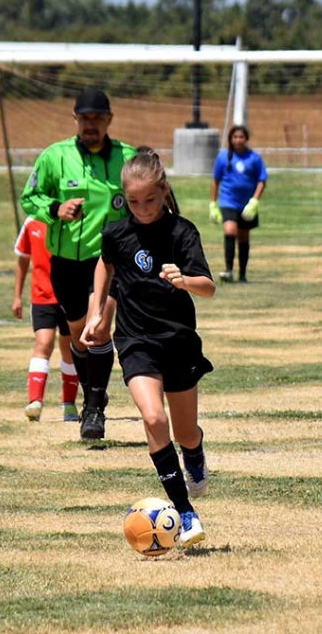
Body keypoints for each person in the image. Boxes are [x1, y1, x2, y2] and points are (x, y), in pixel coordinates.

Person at [82, 147, 214, 549]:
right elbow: (105, 262)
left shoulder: (182, 232)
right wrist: (97, 312)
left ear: (164, 190)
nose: (142, 208)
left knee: (186, 432)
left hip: (177, 340)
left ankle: (194, 455)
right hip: (136, 339)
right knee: (154, 418)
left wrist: (184, 279)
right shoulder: (117, 232)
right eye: (134, 201)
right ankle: (185, 512)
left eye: (151, 200)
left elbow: (208, 288)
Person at [19, 88, 137, 440]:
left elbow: (149, 197)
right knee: (79, 339)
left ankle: (95, 409)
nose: (91, 125)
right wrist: (56, 210)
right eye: (85, 118)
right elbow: (30, 197)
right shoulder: (55, 157)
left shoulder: (127, 157)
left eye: (98, 118)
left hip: (111, 262)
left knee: (99, 327)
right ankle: (91, 395)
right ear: (75, 119)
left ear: (109, 119)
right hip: (67, 263)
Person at [12, 215, 80, 422]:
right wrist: (17, 296)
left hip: (70, 296)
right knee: (44, 343)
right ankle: (35, 401)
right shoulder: (32, 222)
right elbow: (22, 259)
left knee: (69, 348)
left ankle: (69, 404)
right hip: (42, 297)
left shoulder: (76, 218)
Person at [209, 125, 268, 283]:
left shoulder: (254, 158)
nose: (238, 140)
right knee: (230, 231)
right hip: (228, 201)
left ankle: (242, 274)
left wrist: (254, 201)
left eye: (241, 137)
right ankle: (228, 270)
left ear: (246, 139)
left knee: (243, 237)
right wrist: (213, 204)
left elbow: (262, 180)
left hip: (246, 204)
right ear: (230, 139)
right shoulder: (223, 157)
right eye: (235, 137)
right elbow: (215, 180)